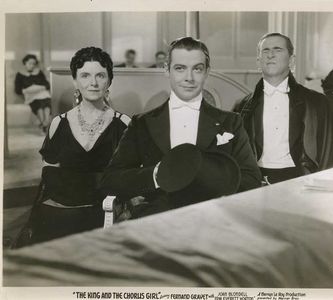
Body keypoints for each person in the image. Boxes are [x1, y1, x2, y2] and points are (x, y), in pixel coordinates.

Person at [101, 37, 262, 218]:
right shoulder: (142, 123)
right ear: (167, 71)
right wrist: (156, 175)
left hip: (213, 218)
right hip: (157, 221)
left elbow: (252, 180)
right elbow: (111, 180)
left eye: (197, 69)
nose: (189, 78)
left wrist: (211, 179)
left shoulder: (231, 122)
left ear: (207, 72)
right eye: (180, 68)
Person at [27, 47, 130, 244]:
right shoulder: (59, 123)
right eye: (85, 75)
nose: (93, 83)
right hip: (64, 208)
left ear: (109, 80)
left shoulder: (124, 123)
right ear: (75, 80)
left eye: (100, 75)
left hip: (105, 209)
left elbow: (130, 174)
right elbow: (50, 168)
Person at [235, 33, 333, 184]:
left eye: (277, 49)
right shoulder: (243, 107)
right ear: (258, 62)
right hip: (255, 182)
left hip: (302, 181)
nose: (271, 55)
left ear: (291, 60)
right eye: (266, 50)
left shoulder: (316, 103)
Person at [14, 54, 51, 133]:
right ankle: (44, 124)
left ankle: (45, 122)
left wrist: (41, 88)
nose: (32, 66)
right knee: (38, 104)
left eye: (34, 64)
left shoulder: (39, 72)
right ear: (25, 63)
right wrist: (26, 91)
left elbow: (47, 84)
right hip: (31, 96)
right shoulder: (20, 74)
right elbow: (17, 90)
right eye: (30, 63)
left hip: (42, 93)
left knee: (47, 101)